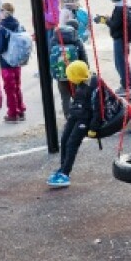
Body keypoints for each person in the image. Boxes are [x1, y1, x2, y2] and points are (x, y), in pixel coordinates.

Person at [46, 60, 104, 188]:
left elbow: (98, 109)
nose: (69, 79)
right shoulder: (80, 83)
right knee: (64, 139)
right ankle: (63, 167)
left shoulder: (93, 87)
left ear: (78, 76)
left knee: (72, 143)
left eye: (71, 76)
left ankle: (65, 173)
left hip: (85, 119)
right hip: (76, 114)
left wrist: (93, 128)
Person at [98, 0, 131, 92]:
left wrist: (104, 20)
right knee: (124, 61)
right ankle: (127, 84)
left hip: (120, 38)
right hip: (127, 38)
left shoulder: (119, 9)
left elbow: (114, 25)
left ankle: (126, 86)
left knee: (120, 63)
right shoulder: (127, 7)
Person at [0, 2, 27, 123]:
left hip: (6, 62)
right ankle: (21, 109)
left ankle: (13, 113)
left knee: (9, 88)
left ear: (5, 13)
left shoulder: (2, 28)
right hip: (17, 61)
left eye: (1, 11)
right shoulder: (18, 24)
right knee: (17, 86)